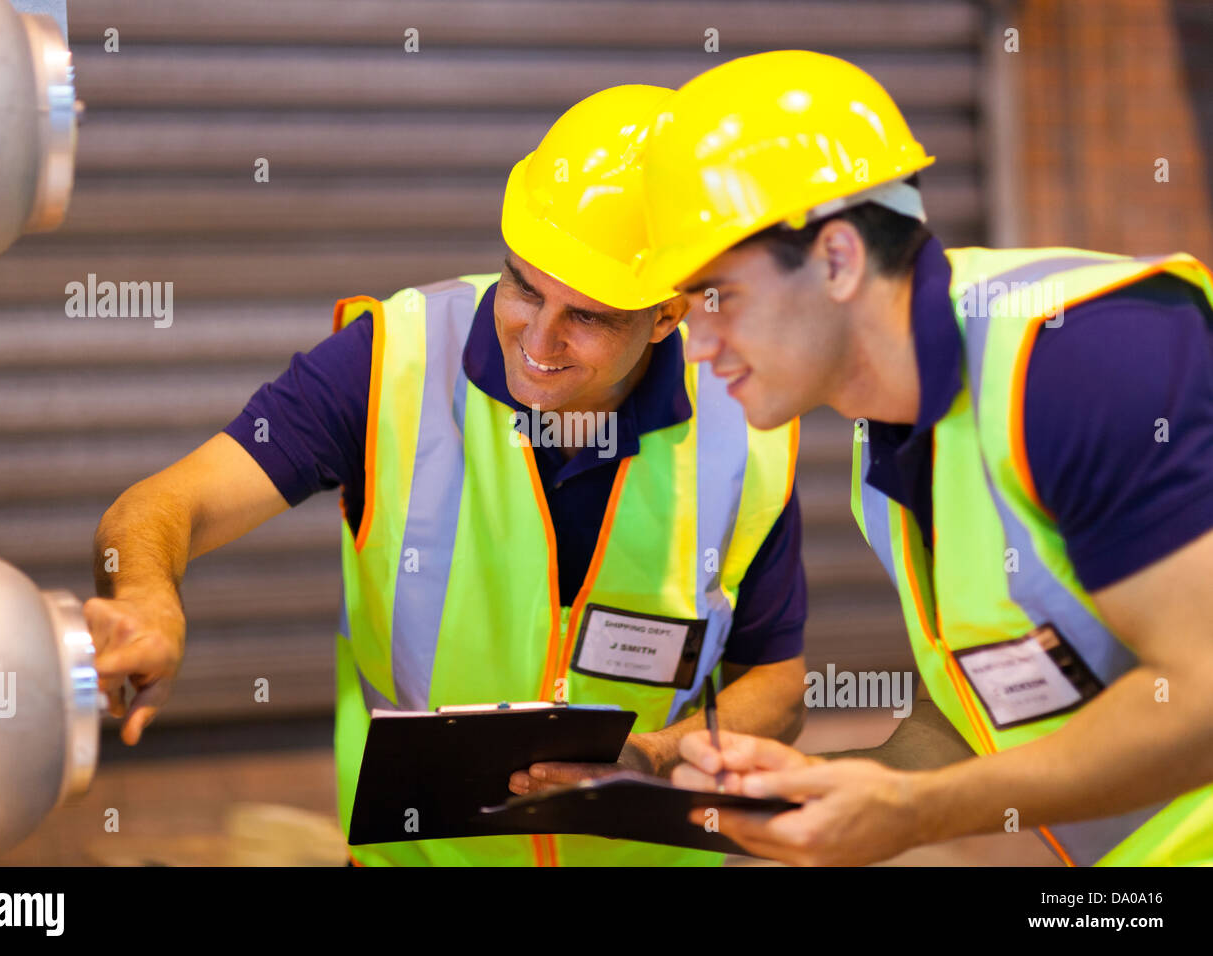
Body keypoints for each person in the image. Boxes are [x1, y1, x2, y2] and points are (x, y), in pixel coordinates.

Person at [85, 85, 808, 866]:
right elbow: (163, 504)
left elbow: (776, 679)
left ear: (668, 315)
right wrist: (148, 597)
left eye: (588, 316)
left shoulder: (743, 419)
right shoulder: (391, 362)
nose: (537, 338)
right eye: (524, 285)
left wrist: (658, 757)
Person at [639, 50, 1213, 866]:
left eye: (716, 297)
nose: (695, 347)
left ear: (837, 258)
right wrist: (830, 785)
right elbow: (992, 708)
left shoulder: (1082, 358)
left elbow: (1202, 695)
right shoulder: (897, 437)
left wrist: (914, 812)